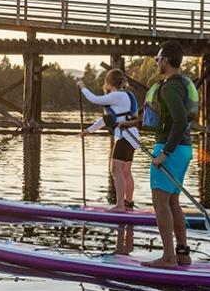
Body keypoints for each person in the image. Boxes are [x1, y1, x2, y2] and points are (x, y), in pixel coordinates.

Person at [142, 40, 194, 268]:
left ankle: (168, 258)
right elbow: (173, 118)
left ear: (166, 60)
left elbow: (181, 120)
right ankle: (182, 254)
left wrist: (165, 152)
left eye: (158, 58)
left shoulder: (169, 87)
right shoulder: (182, 84)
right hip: (184, 149)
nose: (156, 62)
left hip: (171, 149)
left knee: (160, 203)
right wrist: (132, 123)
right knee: (173, 202)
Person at [77, 69, 139, 212]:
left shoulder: (116, 95)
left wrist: (82, 87)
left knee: (116, 170)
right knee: (126, 172)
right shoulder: (126, 96)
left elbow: (94, 99)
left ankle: (120, 206)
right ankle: (128, 203)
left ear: (109, 83)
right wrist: (89, 130)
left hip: (124, 137)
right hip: (132, 137)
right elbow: (107, 120)